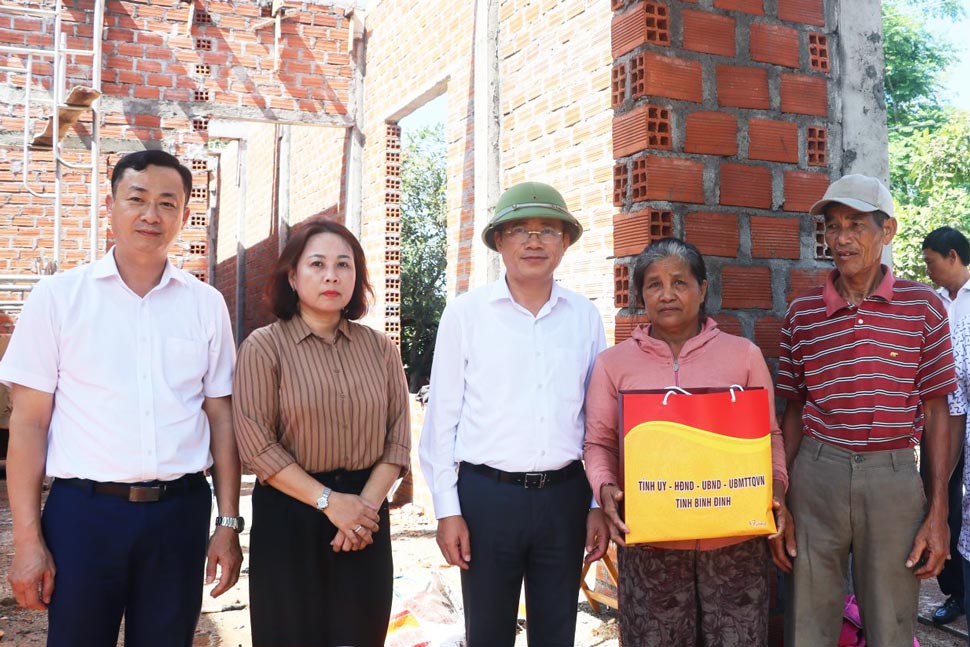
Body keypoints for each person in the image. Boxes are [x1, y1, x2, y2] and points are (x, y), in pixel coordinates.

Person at [0, 149, 242, 647]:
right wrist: (27, 540)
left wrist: (228, 523)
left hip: (179, 514)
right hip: (84, 515)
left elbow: (221, 417)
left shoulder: (206, 305)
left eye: (167, 203)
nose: (150, 215)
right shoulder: (58, 298)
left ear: (184, 215)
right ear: (110, 205)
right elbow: (28, 424)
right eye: (137, 198)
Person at [419, 181, 610, 646]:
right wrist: (448, 511)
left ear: (564, 243)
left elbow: (599, 423)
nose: (534, 241)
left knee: (556, 632)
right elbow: (441, 420)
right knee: (486, 633)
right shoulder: (466, 314)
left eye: (548, 230)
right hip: (487, 499)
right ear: (499, 242)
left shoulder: (584, 316)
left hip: (563, 498)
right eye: (519, 230)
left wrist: (595, 504)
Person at [771, 174, 959, 646]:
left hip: (893, 474)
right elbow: (792, 414)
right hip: (816, 472)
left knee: (893, 620)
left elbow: (938, 411)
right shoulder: (803, 313)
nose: (841, 238)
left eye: (855, 224)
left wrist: (938, 511)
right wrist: (778, 499)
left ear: (888, 230)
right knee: (808, 620)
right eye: (833, 226)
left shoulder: (924, 307)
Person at [583, 238, 789, 646]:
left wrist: (777, 489)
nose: (667, 294)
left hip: (734, 540)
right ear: (640, 295)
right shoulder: (614, 364)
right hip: (649, 540)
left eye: (680, 282)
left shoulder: (742, 355)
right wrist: (605, 487)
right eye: (654, 284)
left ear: (703, 290)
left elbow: (770, 435)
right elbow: (599, 443)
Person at [232, 217, 410, 647]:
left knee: (359, 636)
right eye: (317, 264)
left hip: (365, 517)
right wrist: (330, 503)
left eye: (343, 265)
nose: (331, 275)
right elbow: (257, 445)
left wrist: (362, 510)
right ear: (292, 276)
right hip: (291, 513)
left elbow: (398, 438)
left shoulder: (379, 349)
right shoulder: (263, 347)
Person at [921, 226, 970, 624]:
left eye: (931, 263)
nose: (929, 271)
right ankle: (955, 591)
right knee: (941, 497)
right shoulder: (932, 303)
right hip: (941, 415)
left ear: (952, 256)